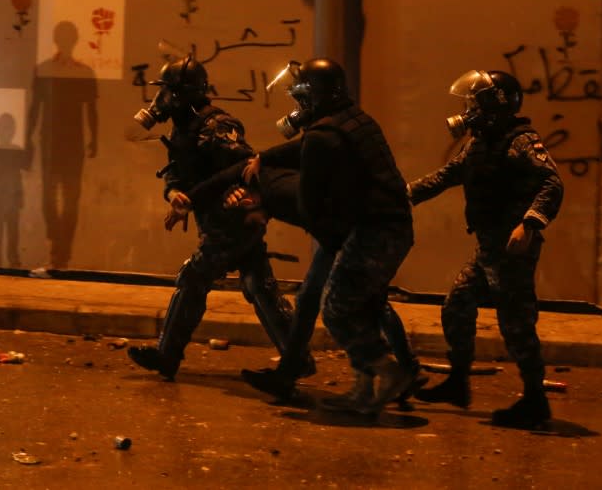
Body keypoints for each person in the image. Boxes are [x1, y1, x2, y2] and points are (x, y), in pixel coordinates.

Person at [235, 58, 418, 415]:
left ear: (315, 97)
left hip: (368, 232)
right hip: (387, 226)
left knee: (337, 310)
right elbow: (308, 147)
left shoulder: (322, 137)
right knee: (345, 304)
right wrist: (265, 157)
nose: (299, 104)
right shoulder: (354, 120)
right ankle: (362, 390)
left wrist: (264, 202)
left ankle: (390, 372)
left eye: (303, 95)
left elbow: (309, 205)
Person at [188, 153, 425, 410]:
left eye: (253, 221)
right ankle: (349, 381)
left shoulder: (279, 197)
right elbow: (228, 174)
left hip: (360, 231)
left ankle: (386, 372)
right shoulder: (266, 180)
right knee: (321, 300)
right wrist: (189, 199)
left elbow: (332, 217)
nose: (262, 224)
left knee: (338, 306)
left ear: (249, 201)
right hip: (352, 230)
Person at [126, 55, 312, 381]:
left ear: (185, 93)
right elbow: (175, 178)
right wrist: (176, 196)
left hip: (233, 221)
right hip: (218, 221)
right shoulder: (182, 129)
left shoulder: (217, 126)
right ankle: (297, 358)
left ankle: (167, 356)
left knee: (193, 278)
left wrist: (231, 192)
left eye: (169, 91)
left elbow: (245, 166)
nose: (162, 100)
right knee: (259, 286)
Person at [407, 69, 564, 429]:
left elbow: (551, 183)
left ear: (495, 104)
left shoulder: (520, 141)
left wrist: (530, 222)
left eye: (475, 102)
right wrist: (404, 194)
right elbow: (446, 175)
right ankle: (458, 383)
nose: (469, 109)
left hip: (512, 250)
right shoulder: (480, 142)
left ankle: (536, 402)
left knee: (516, 325)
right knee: (457, 305)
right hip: (487, 248)